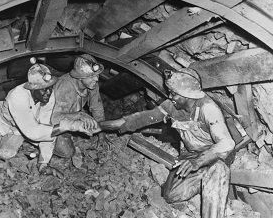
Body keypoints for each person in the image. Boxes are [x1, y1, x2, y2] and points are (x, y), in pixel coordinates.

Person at [99, 67, 235, 218]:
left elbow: (227, 143)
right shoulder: (171, 106)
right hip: (190, 155)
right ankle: (203, 179)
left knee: (217, 169)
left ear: (187, 96)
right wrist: (101, 125)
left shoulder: (207, 108)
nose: (171, 96)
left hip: (213, 155)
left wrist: (198, 162)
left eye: (174, 94)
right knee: (170, 195)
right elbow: (144, 118)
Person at [0, 58, 98, 177]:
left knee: (6, 154)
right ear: (32, 89)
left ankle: (6, 145)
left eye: (50, 88)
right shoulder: (17, 96)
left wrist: (43, 163)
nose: (48, 93)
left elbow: (47, 128)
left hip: (18, 129)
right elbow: (32, 132)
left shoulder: (48, 96)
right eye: (43, 90)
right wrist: (70, 125)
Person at [51, 54, 111, 159]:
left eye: (96, 75)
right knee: (67, 152)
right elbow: (54, 118)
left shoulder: (92, 85)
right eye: (91, 76)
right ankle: (41, 145)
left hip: (71, 112)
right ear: (79, 78)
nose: (96, 79)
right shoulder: (65, 87)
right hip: (50, 119)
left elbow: (97, 107)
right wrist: (80, 116)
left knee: (86, 119)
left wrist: (101, 134)